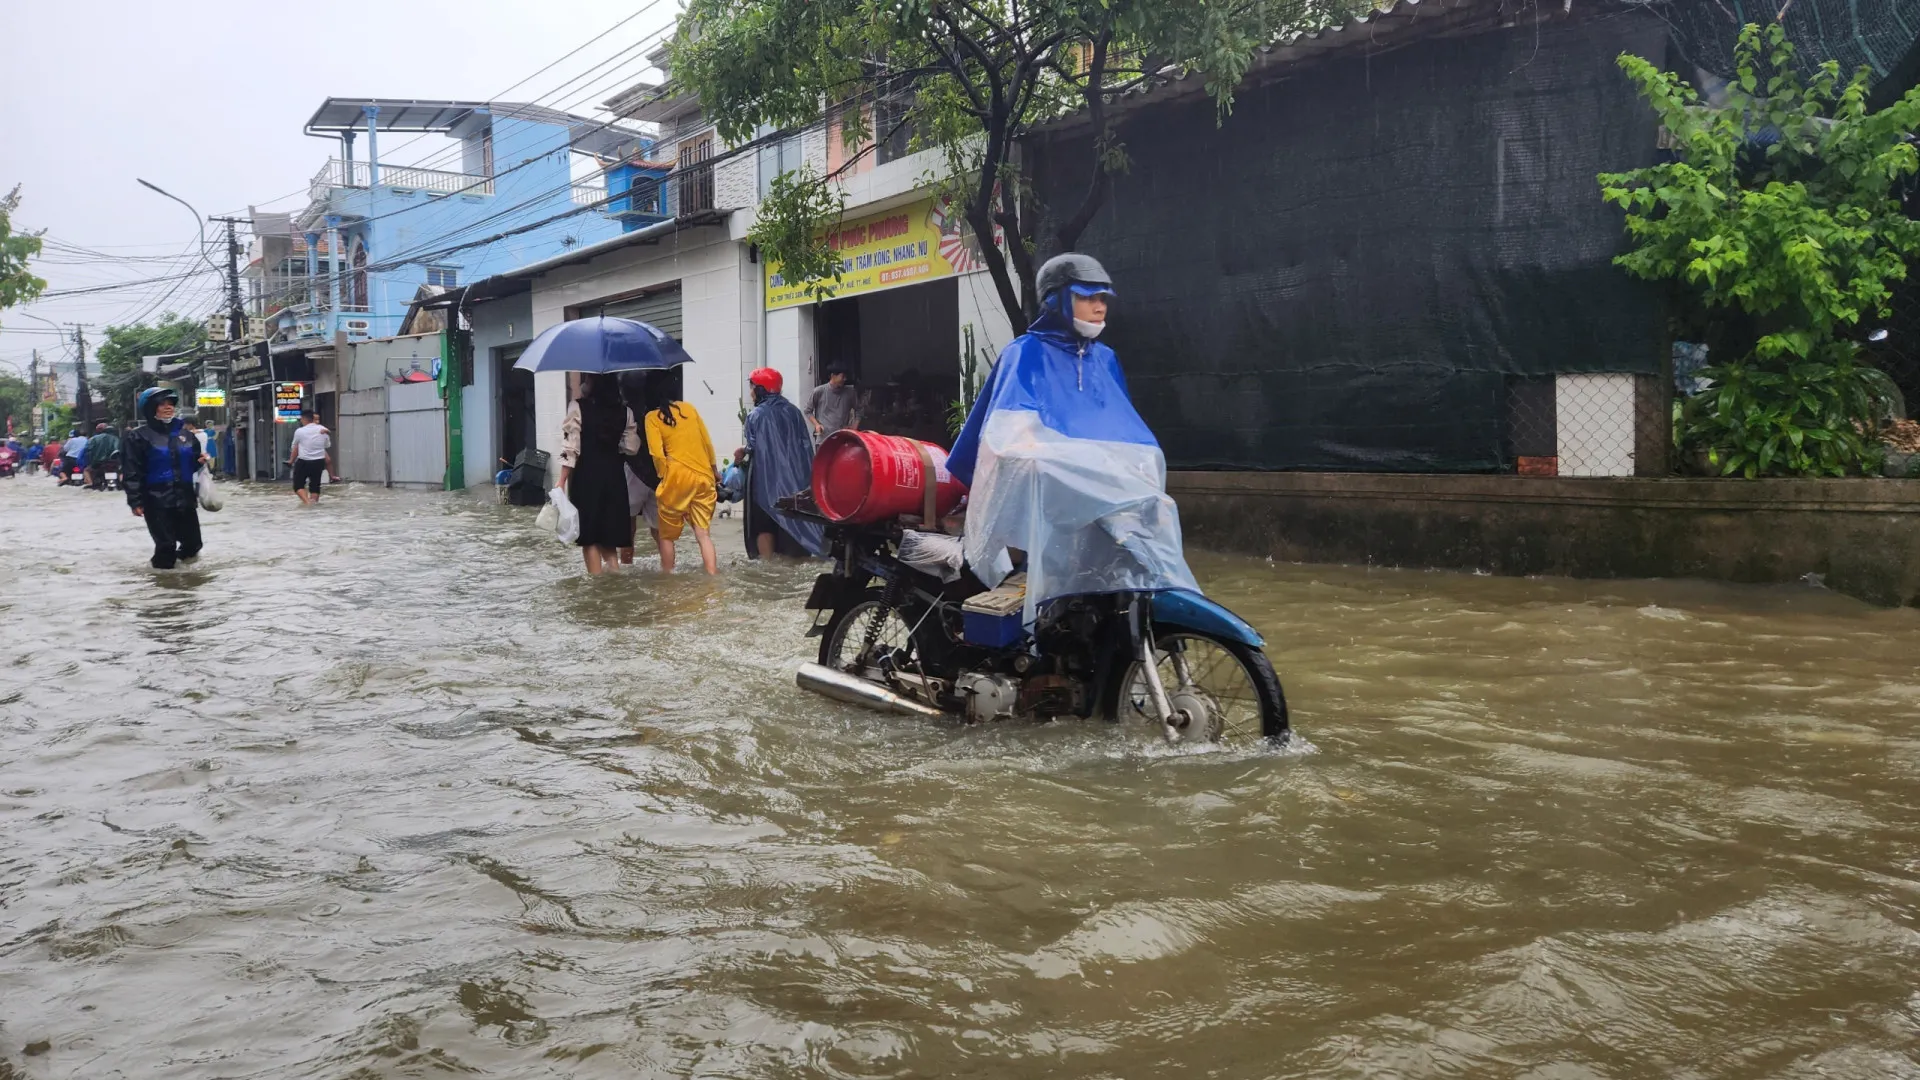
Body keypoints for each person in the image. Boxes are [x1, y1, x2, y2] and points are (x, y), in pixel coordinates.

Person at [946, 252, 1199, 623]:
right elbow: (1007, 437)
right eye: (1088, 297)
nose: (1099, 308)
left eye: (1103, 299)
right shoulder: (1024, 353)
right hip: (1048, 496)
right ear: (1056, 300)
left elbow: (1123, 432)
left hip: (1096, 497)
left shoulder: (1105, 359)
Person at [558, 373, 641, 575]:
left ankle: (597, 584)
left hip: (586, 477)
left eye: (585, 380)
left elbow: (571, 449)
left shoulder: (577, 407)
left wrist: (561, 481)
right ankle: (614, 576)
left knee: (590, 538)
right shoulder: (625, 412)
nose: (583, 385)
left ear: (592, 383)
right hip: (614, 477)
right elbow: (631, 448)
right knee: (608, 536)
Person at [741, 367, 826, 559]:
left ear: (761, 389)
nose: (751, 392)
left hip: (765, 481)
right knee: (792, 519)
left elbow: (753, 446)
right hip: (794, 480)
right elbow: (805, 446)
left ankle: (768, 565)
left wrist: (742, 452)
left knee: (763, 525)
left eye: (752, 387)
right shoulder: (794, 412)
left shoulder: (755, 416)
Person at [124, 388, 209, 570]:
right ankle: (162, 581)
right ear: (150, 408)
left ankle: (182, 578)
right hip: (156, 501)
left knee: (194, 544)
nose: (168, 408)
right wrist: (135, 501)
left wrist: (199, 461)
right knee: (166, 546)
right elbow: (132, 470)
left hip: (185, 498)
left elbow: (192, 463)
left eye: (170, 404)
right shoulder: (138, 436)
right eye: (162, 404)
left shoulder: (186, 435)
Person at [643, 383, 721, 575]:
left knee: (666, 536)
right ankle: (712, 575)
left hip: (676, 477)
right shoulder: (689, 409)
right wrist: (714, 470)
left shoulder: (652, 418)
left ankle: (668, 576)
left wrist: (664, 476)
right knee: (703, 534)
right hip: (703, 475)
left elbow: (657, 454)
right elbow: (707, 442)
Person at [615, 371, 662, 566]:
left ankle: (627, 566)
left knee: (628, 527)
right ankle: (668, 566)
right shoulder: (656, 411)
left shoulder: (623, 412)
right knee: (660, 530)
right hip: (656, 476)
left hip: (630, 472)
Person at [287, 409, 335, 505]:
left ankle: (307, 502)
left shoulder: (299, 431)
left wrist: (291, 460)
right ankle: (313, 506)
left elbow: (295, 446)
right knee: (315, 486)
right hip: (319, 462)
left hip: (304, 461)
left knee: (298, 485)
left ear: (304, 419)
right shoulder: (323, 430)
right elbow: (327, 445)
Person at [805, 366, 860, 441]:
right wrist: (817, 425)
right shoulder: (819, 391)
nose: (845, 379)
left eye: (846, 377)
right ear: (833, 376)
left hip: (843, 438)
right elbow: (807, 410)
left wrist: (854, 427)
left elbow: (859, 410)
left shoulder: (850, 392)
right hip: (824, 439)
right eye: (842, 376)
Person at [85, 422, 120, 490]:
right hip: (113, 463)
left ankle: (91, 483)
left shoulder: (93, 439)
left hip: (97, 463)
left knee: (87, 470)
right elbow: (119, 450)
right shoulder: (116, 438)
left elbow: (88, 450)